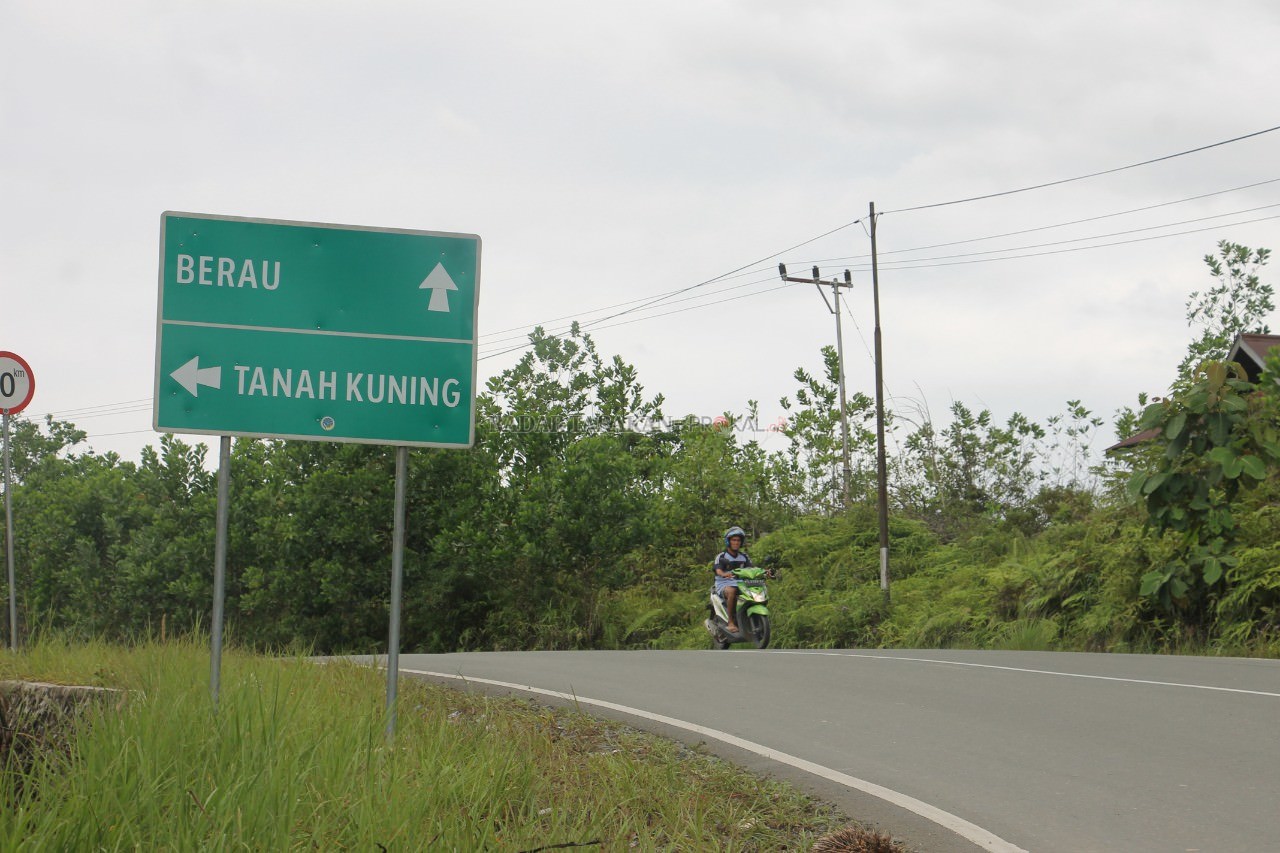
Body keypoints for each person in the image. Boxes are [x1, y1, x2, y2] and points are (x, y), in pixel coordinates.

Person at [713, 526, 752, 635]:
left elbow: (752, 569)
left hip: (741, 584)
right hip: (724, 584)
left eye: (738, 540)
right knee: (732, 591)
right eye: (733, 540)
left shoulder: (744, 557)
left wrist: (765, 572)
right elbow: (718, 570)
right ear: (728, 541)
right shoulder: (722, 556)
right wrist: (724, 574)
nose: (736, 542)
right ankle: (730, 622)